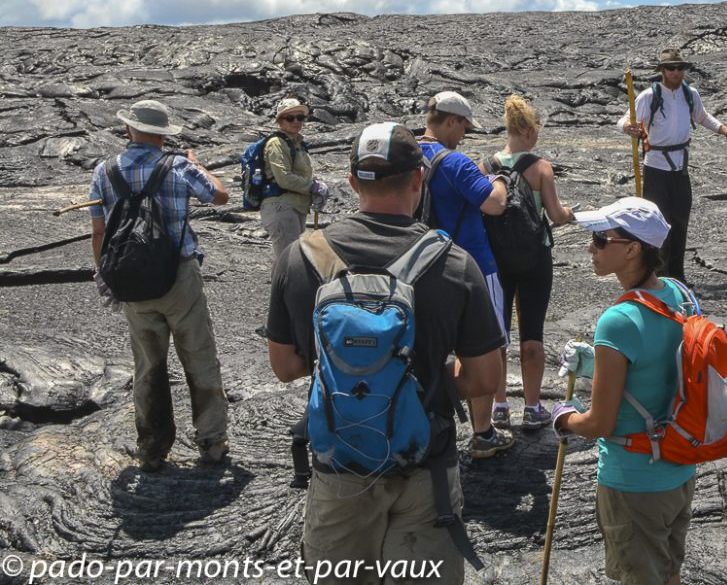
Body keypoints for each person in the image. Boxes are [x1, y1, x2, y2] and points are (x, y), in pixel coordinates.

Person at [265, 122, 505, 585]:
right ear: (419, 178)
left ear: (352, 182)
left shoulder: (299, 257)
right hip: (426, 467)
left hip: (340, 462)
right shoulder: (454, 263)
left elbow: (286, 367)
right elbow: (484, 380)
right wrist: (423, 383)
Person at [552, 197, 696, 585]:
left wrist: (564, 418)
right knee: (669, 573)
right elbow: (657, 364)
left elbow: (599, 423)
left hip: (634, 480)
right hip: (679, 468)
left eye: (601, 239)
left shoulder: (617, 321)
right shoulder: (679, 296)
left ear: (633, 249)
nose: (590, 247)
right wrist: (595, 363)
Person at [88, 99, 231, 472]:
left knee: (148, 365)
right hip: (179, 275)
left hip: (129, 278)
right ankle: (211, 441)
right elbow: (220, 196)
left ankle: (152, 447)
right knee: (198, 356)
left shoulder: (104, 171)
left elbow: (99, 230)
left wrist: (106, 275)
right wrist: (199, 165)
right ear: (162, 135)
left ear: (129, 130)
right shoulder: (179, 165)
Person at [417, 91, 513, 458]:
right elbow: (494, 204)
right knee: (485, 350)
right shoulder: (456, 162)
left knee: (433, 348)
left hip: (426, 265)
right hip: (473, 265)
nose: (463, 136)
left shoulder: (411, 156)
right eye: (463, 128)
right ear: (452, 121)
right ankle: (483, 433)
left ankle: (429, 421)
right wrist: (500, 179)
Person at [482, 95, 576, 432]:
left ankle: (499, 405)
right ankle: (533, 407)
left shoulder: (485, 167)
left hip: (496, 259)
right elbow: (555, 214)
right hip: (535, 257)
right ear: (528, 130)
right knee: (532, 334)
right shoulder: (540, 168)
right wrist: (571, 213)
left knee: (497, 334)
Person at [618, 48, 727, 283]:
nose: (676, 72)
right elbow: (625, 119)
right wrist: (627, 127)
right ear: (662, 71)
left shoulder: (690, 94)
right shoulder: (649, 96)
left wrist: (724, 130)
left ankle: (677, 274)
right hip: (656, 168)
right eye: (671, 68)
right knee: (658, 222)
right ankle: (656, 274)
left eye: (680, 68)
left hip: (680, 168)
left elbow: (702, 116)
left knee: (680, 221)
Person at [260, 97, 329, 266]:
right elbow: (284, 179)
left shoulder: (298, 144)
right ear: (279, 121)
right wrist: (312, 186)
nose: (296, 121)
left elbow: (300, 177)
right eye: (290, 118)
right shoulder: (276, 144)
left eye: (300, 117)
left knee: (295, 261)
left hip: (296, 208)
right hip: (281, 207)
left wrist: (314, 191)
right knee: (289, 263)